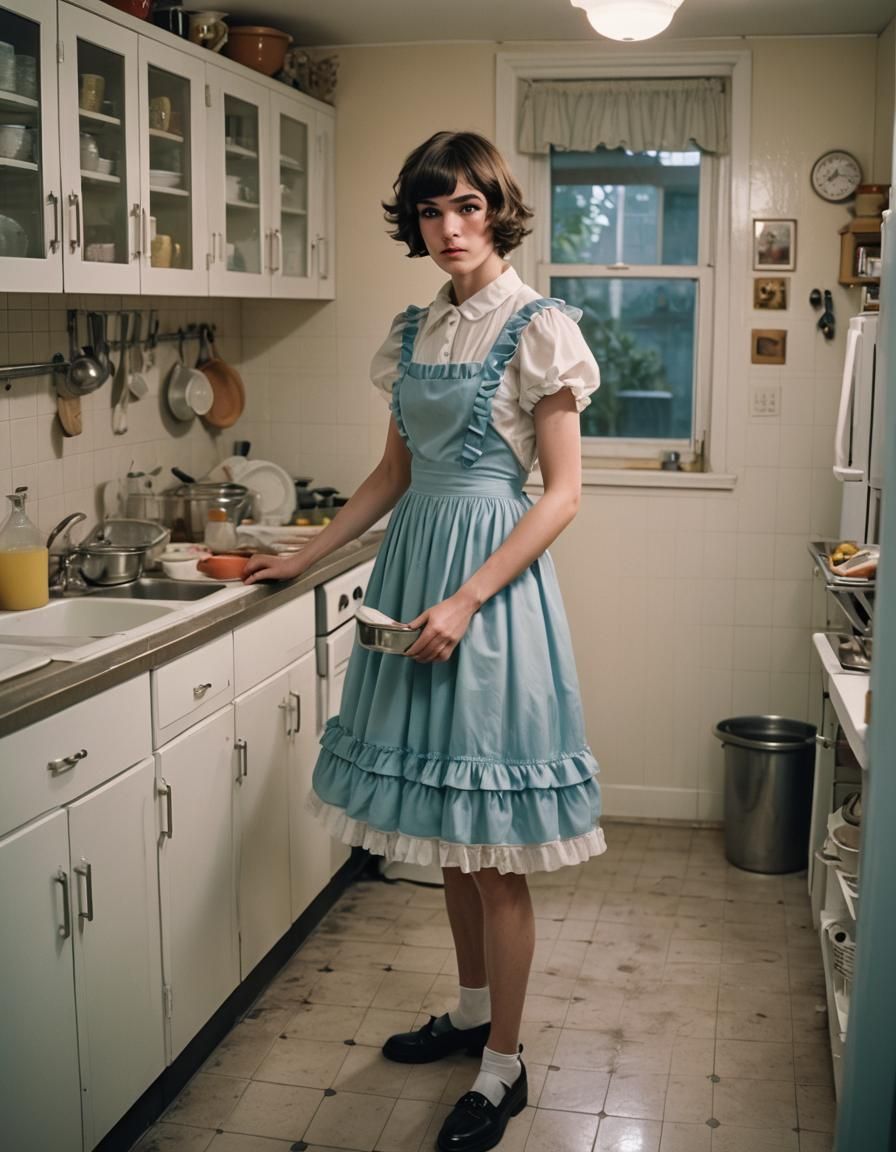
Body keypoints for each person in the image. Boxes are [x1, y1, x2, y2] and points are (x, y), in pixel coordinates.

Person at [243, 130, 607, 1152]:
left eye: (466, 209)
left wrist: (467, 601)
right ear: (411, 221)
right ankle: (467, 1011)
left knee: (491, 849)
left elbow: (563, 495)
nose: (447, 229)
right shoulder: (409, 332)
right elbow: (389, 480)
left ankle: (505, 1065)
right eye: (428, 212)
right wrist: (301, 558)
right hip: (414, 572)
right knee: (447, 835)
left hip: (490, 591)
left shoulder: (539, 328)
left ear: (496, 213)